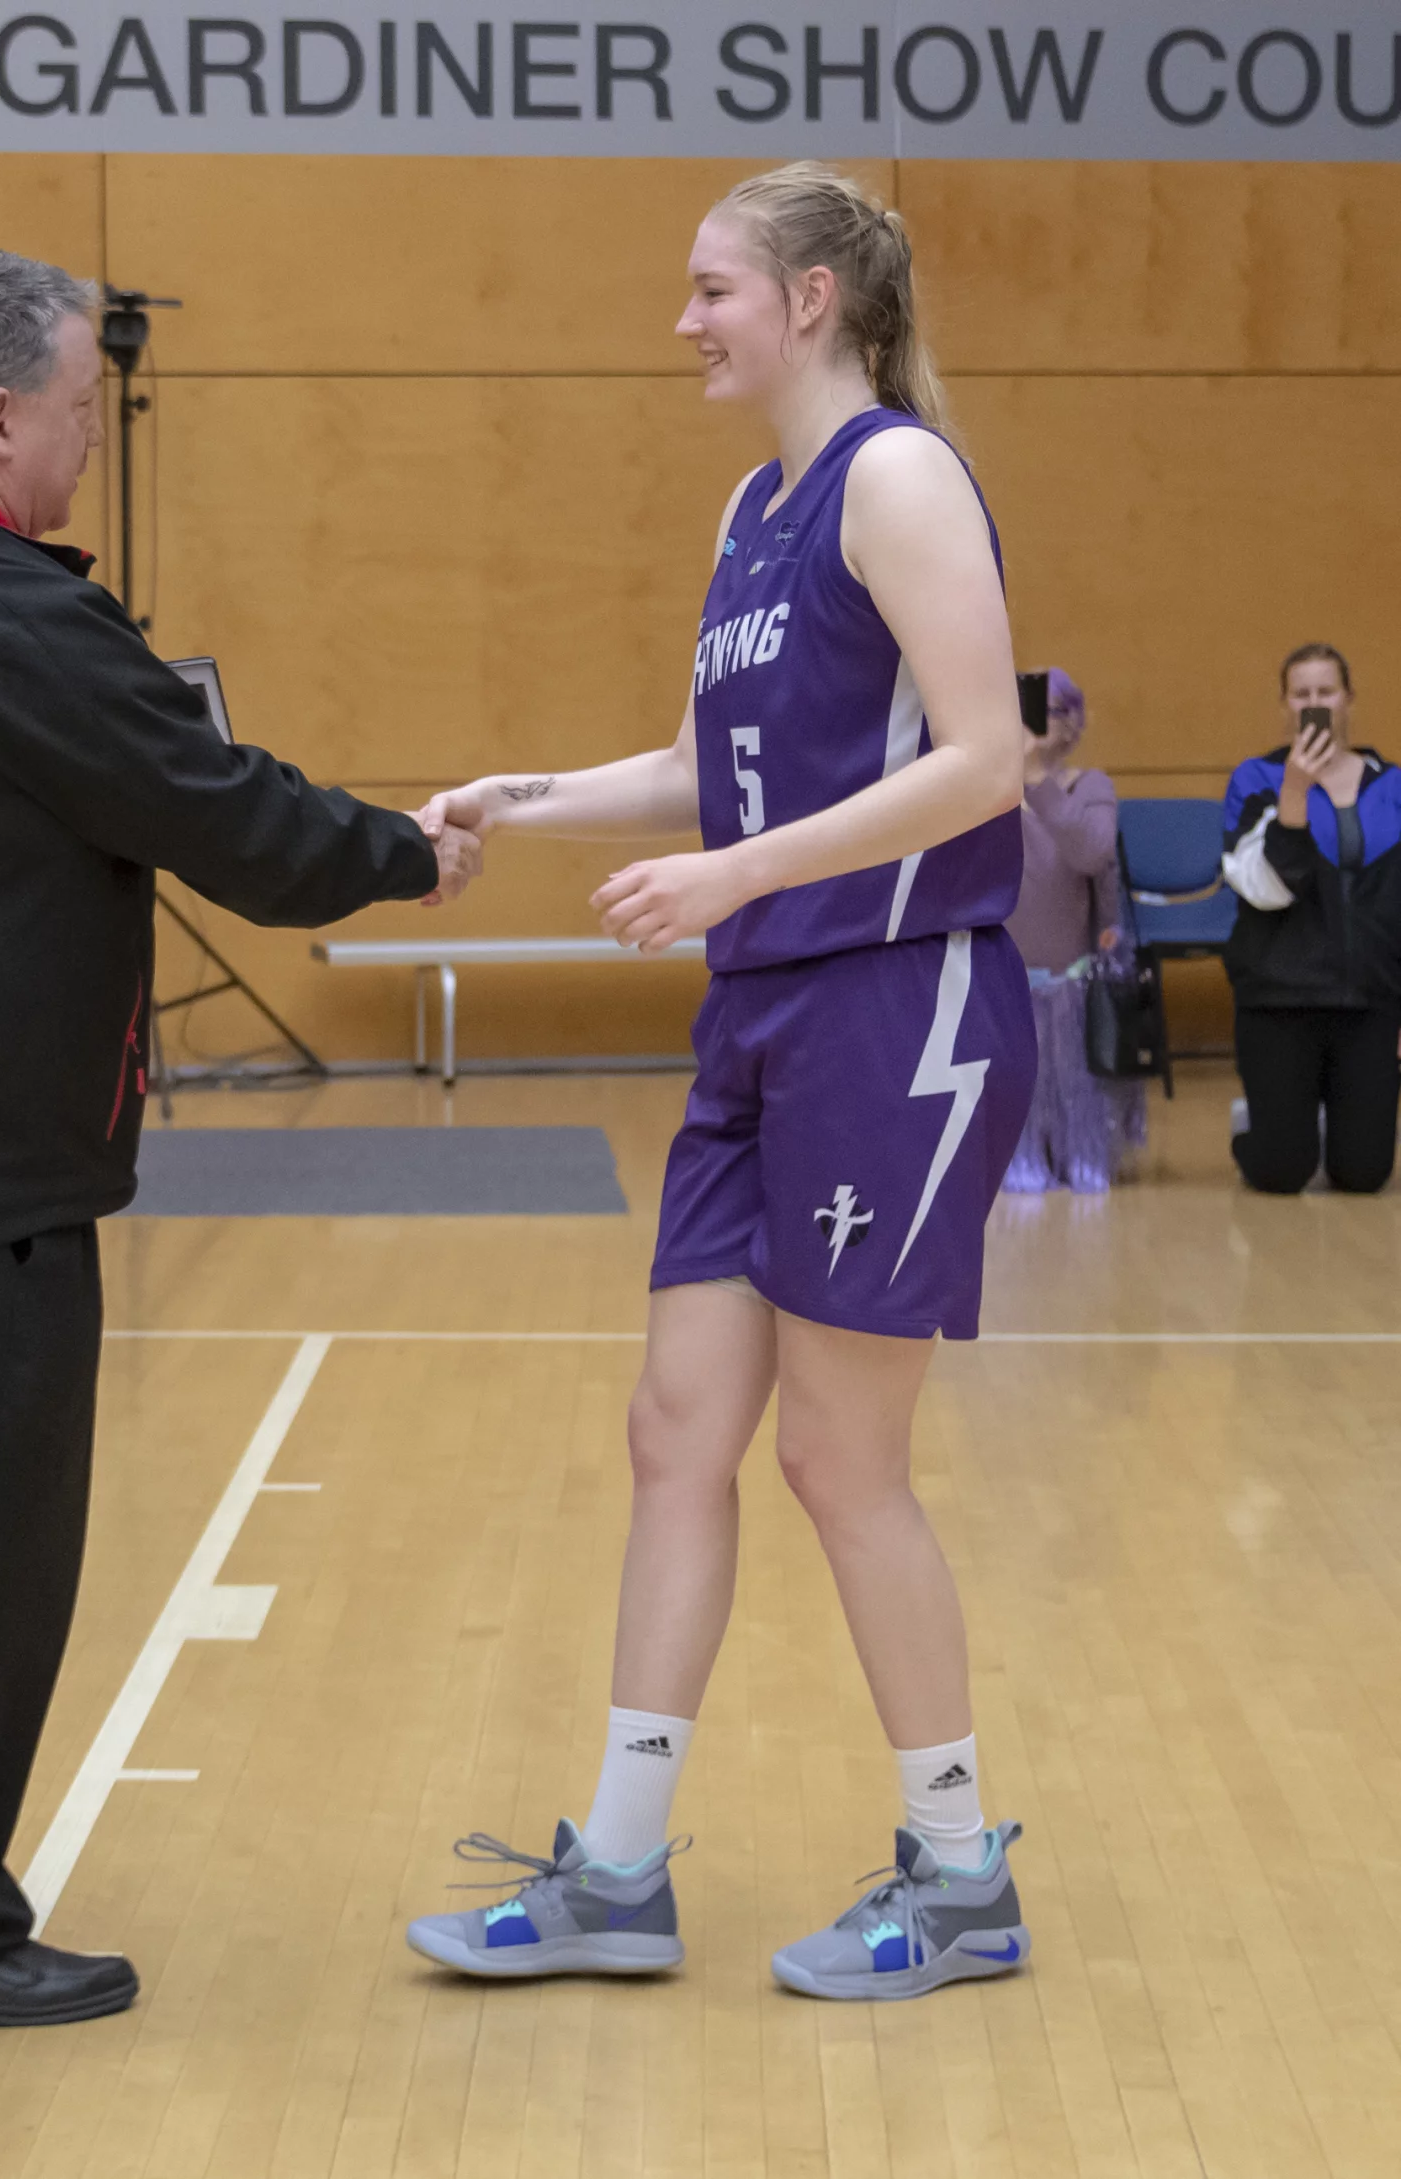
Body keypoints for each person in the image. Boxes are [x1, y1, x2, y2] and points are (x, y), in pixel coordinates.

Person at [0, 253, 481, 2036]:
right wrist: (408, 853)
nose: (76, 452)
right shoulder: (5, 610)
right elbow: (230, 821)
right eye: (68, 416)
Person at [404, 162, 1035, 2000]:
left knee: (844, 1452)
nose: (683, 320)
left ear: (816, 297)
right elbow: (716, 763)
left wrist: (746, 874)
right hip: (763, 1010)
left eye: (711, 289)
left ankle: (958, 1866)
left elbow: (988, 754)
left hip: (895, 1002)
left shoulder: (897, 476)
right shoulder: (754, 512)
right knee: (680, 1431)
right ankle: (614, 1866)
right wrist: (528, 798)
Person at [1222, 644, 1401, 1195]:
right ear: (1284, 705)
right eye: (1302, 694)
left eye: (1326, 691)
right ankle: (1258, 1126)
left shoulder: (1391, 785)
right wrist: (1295, 790)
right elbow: (1266, 891)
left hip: (1370, 998)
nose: (1314, 703)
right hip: (1280, 998)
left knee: (1364, 1174)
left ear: (1349, 700)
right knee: (1281, 1172)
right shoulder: (1256, 780)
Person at [1002, 668, 1147, 1192]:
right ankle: (1017, 1154)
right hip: (1004, 976)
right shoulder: (985, 792)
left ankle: (1081, 1147)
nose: (1033, 725)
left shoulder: (1090, 786)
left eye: (1048, 712)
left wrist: (1037, 780)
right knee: (1015, 1071)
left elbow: (1091, 851)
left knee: (1072, 1073)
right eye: (1021, 711)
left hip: (1071, 976)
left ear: (1074, 724)